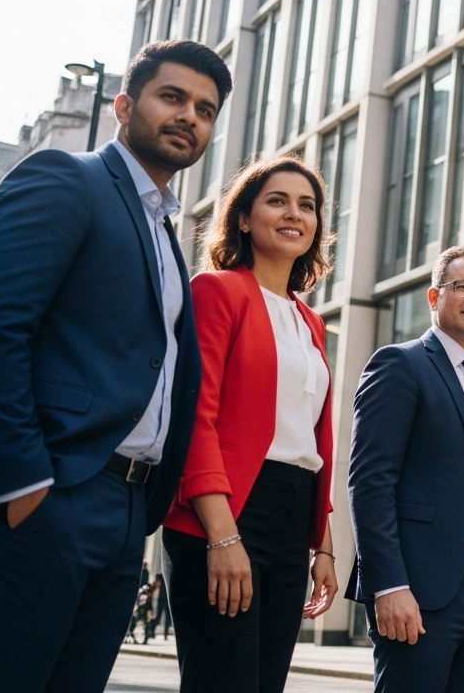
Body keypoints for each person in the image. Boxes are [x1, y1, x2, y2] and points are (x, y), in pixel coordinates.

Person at [0, 39, 230, 692]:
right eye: (172, 98)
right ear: (125, 105)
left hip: (128, 512)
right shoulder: (69, 180)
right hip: (55, 493)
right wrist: (24, 484)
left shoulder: (164, 233)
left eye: (205, 109)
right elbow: (1, 324)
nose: (189, 116)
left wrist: (143, 512)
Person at [161, 156, 339, 692]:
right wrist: (221, 536)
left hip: (292, 518)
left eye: (306, 206)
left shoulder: (310, 321)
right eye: (277, 201)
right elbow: (196, 418)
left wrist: (323, 544)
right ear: (243, 218)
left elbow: (307, 438)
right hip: (226, 510)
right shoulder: (217, 291)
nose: (295, 214)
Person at [348, 245, 464, 693]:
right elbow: (370, 483)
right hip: (420, 589)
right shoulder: (400, 364)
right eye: (463, 286)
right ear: (433, 297)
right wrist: (388, 586)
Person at [150, 573, 173, 641]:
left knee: (159, 616)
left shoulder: (160, 576)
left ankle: (152, 631)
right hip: (166, 598)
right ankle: (163, 634)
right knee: (166, 617)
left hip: (162, 598)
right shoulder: (166, 575)